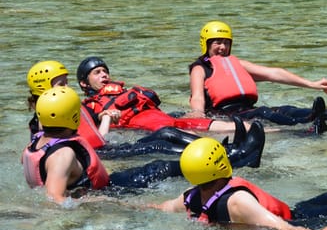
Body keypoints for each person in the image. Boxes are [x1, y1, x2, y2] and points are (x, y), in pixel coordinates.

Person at [22, 87, 262, 205]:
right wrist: (98, 202)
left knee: (160, 162)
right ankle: (239, 158)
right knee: (164, 167)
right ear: (74, 117)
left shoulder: (37, 142)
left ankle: (231, 152)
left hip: (106, 185)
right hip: (109, 192)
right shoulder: (62, 153)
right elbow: (54, 199)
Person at [26, 60, 244, 160]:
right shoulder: (47, 118)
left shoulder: (57, 110)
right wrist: (106, 120)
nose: (66, 88)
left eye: (66, 82)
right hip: (101, 154)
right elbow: (92, 142)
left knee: (166, 133)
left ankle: (223, 150)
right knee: (162, 142)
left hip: (100, 150)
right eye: (61, 84)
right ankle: (227, 155)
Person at [188, 20, 327, 133]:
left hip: (247, 109)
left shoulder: (237, 63)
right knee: (265, 112)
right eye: (217, 42)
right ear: (207, 43)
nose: (223, 47)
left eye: (226, 42)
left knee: (286, 109)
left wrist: (312, 84)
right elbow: (197, 96)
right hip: (225, 115)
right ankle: (308, 125)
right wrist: (197, 114)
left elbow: (274, 73)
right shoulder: (200, 68)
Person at [151, 137, 314, 230]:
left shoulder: (190, 198)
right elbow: (284, 228)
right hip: (298, 218)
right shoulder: (238, 202)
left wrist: (127, 206)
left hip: (300, 215)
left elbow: (162, 207)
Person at [77, 56, 244, 135]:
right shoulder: (89, 107)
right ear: (84, 83)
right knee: (183, 132)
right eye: (97, 73)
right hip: (150, 126)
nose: (104, 75)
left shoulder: (123, 91)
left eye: (105, 71)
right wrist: (105, 116)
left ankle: (264, 132)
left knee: (219, 124)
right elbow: (97, 135)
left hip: (164, 118)